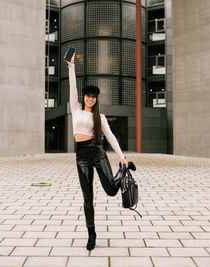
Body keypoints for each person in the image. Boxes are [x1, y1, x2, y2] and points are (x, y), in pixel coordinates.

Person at [65, 52, 136, 251]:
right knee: (87, 198)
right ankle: (91, 234)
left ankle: (121, 174)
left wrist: (122, 158)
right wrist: (71, 66)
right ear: (84, 97)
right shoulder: (76, 108)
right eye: (87, 96)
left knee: (112, 191)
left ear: (96, 100)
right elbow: (72, 86)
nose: (90, 99)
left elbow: (111, 137)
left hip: (97, 153)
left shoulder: (100, 117)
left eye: (93, 97)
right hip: (81, 156)